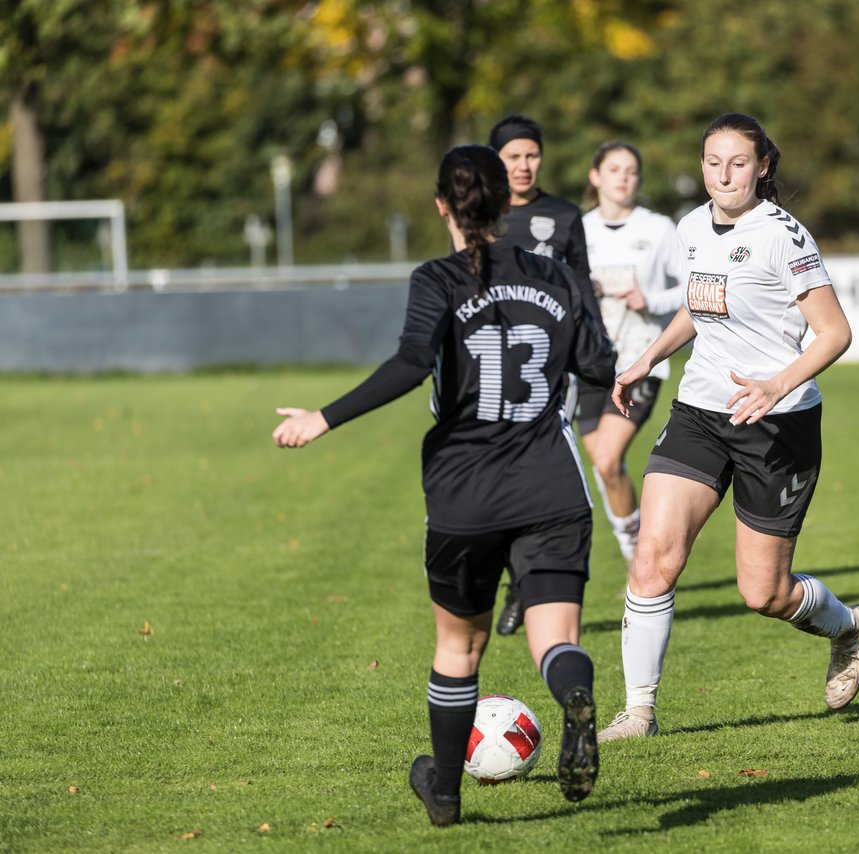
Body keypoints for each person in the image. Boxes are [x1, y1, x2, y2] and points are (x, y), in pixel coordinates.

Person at [271, 144, 616, 825]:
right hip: (552, 484)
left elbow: (408, 362)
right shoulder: (556, 278)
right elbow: (599, 364)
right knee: (557, 638)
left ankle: (446, 793)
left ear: (442, 206)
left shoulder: (437, 278)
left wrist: (323, 417)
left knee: (459, 646)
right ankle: (576, 699)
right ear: (505, 202)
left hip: (466, 492)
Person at [596, 113, 859, 742]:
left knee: (763, 592)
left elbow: (835, 333)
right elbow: (701, 308)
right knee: (652, 562)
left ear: (763, 167)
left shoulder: (784, 237)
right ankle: (638, 712)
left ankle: (848, 627)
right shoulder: (692, 227)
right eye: (713, 162)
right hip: (700, 412)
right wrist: (648, 357)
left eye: (738, 163)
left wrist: (777, 384)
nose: (724, 175)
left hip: (777, 426)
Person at [488, 114, 602, 636]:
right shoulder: (480, 212)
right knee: (495, 479)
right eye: (513, 156)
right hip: (490, 367)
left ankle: (536, 581)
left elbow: (582, 290)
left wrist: (598, 350)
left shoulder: (563, 215)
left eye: (531, 155)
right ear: (496, 161)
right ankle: (517, 576)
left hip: (551, 370)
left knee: (539, 472)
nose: (524, 165)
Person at [579, 141, 684, 565]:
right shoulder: (578, 229)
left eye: (631, 171)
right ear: (595, 176)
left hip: (641, 362)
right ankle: (636, 546)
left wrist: (651, 300)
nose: (623, 177)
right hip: (588, 365)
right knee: (606, 471)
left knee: (607, 458)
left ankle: (634, 557)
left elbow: (693, 288)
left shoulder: (659, 229)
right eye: (614, 169)